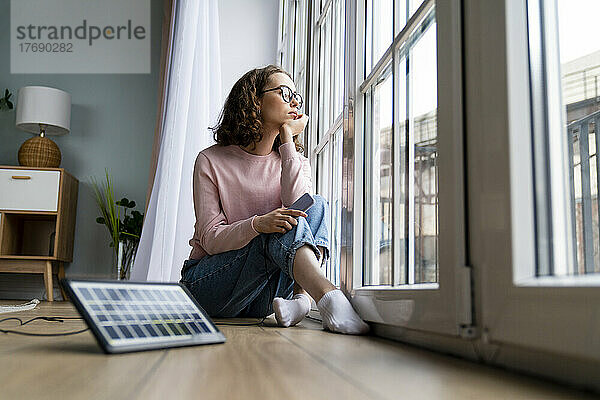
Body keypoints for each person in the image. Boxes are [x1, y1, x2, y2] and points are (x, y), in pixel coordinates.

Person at [179, 64, 369, 335]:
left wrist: (287, 139)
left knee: (315, 206)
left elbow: (297, 205)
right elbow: (209, 237)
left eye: (296, 96)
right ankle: (327, 296)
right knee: (274, 228)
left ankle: (301, 299)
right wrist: (257, 225)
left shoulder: (295, 160)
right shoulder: (211, 160)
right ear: (254, 99)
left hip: (262, 296)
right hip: (210, 287)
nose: (294, 101)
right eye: (284, 92)